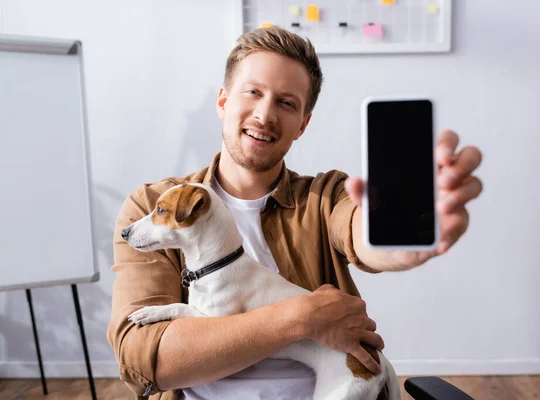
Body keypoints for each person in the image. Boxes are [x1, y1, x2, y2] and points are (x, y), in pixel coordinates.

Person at [107, 26, 483, 400]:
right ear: (223, 101)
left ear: (302, 124)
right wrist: (303, 317)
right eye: (253, 92)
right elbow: (146, 359)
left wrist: (398, 241)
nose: (265, 115)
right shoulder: (152, 206)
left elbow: (357, 227)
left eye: (287, 103)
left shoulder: (325, 196)